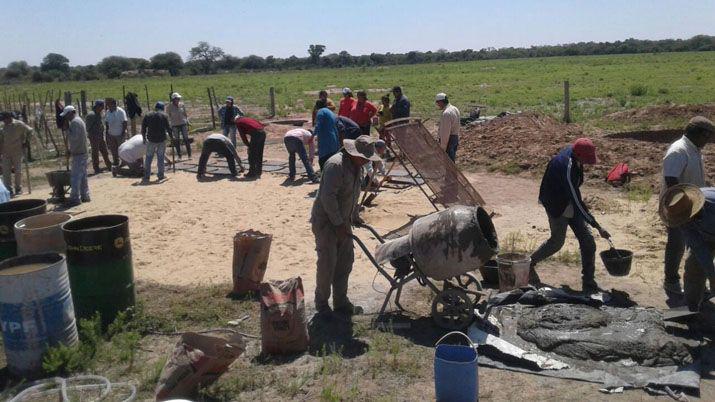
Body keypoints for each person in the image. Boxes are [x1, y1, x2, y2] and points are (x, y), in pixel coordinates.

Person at [311, 135, 381, 316]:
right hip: (327, 222)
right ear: (355, 153)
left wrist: (354, 215)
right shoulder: (336, 165)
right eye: (365, 157)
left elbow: (352, 195)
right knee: (328, 263)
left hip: (343, 221)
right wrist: (339, 224)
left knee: (345, 262)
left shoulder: (357, 167)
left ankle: (341, 302)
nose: (367, 161)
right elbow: (328, 197)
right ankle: (322, 305)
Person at [529, 138, 611, 293]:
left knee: (588, 242)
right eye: (586, 160)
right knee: (557, 242)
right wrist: (597, 226)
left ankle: (588, 282)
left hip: (568, 200)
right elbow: (576, 198)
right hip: (555, 203)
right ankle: (528, 264)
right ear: (578, 154)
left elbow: (575, 196)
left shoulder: (576, 156)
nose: (587, 163)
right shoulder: (567, 166)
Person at [661, 116, 714, 295]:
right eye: (708, 136)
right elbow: (671, 180)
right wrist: (682, 207)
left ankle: (696, 283)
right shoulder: (679, 151)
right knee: (677, 244)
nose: (708, 141)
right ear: (699, 134)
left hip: (696, 206)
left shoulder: (694, 149)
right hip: (680, 207)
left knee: (694, 246)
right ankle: (671, 281)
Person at [660, 185, 715, 311]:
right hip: (706, 235)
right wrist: (712, 276)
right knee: (693, 268)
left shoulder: (712, 205)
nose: (684, 222)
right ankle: (690, 307)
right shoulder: (680, 216)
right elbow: (699, 248)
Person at [60, 106, 90, 206]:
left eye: (66, 115)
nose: (66, 118)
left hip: (79, 153)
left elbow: (75, 138)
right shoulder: (79, 120)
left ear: (70, 113)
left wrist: (67, 130)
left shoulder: (75, 122)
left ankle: (75, 198)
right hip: (82, 152)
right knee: (83, 177)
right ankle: (85, 196)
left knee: (76, 177)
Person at [0, 111, 33, 195]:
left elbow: (30, 131)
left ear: (9, 118)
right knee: (6, 172)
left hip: (17, 151)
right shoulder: (2, 127)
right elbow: (1, 140)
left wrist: (26, 142)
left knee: (18, 171)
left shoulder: (19, 124)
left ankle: (18, 189)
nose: (3, 121)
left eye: (4, 119)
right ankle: (9, 190)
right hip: (5, 152)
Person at [141, 102, 174, 184]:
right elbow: (168, 128)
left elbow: (143, 128)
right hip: (161, 140)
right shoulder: (164, 116)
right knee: (160, 158)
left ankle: (146, 176)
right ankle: (161, 175)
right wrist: (172, 137)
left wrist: (143, 138)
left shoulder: (148, 115)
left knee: (148, 158)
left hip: (151, 140)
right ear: (162, 108)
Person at [85, 100, 112, 174]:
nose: (103, 108)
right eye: (101, 106)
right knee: (95, 153)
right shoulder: (91, 115)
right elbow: (88, 127)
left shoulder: (98, 114)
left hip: (100, 136)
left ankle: (109, 165)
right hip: (94, 136)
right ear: (98, 106)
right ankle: (96, 168)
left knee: (104, 151)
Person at [435, 93, 461, 162]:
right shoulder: (455, 108)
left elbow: (445, 133)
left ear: (441, 102)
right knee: (452, 162)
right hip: (455, 138)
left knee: (448, 164)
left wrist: (443, 148)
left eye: (438, 103)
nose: (437, 105)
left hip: (449, 141)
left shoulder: (446, 113)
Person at [314, 105, 340, 169]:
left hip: (326, 141)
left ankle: (325, 177)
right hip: (334, 140)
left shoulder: (320, 111)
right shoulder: (330, 112)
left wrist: (312, 135)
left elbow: (318, 125)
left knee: (323, 161)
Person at [166, 92, 191, 158]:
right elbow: (168, 116)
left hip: (183, 123)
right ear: (173, 99)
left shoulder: (182, 105)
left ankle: (189, 155)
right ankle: (179, 155)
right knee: (177, 140)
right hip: (174, 125)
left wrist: (187, 121)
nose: (178, 100)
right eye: (177, 98)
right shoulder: (169, 107)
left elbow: (185, 114)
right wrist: (169, 125)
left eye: (179, 98)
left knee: (186, 138)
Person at [104, 98, 128, 166]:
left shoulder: (120, 111)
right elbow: (106, 123)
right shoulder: (108, 112)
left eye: (109, 105)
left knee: (122, 149)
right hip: (111, 134)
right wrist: (107, 134)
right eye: (108, 105)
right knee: (113, 149)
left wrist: (123, 133)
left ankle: (124, 162)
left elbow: (124, 122)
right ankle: (116, 161)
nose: (108, 106)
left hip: (120, 134)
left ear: (114, 104)